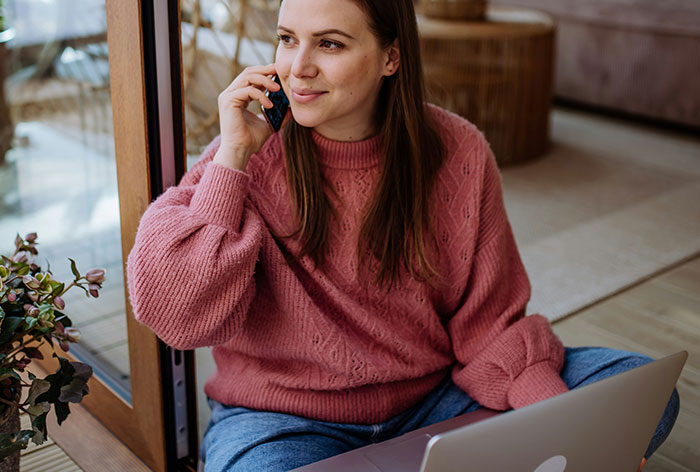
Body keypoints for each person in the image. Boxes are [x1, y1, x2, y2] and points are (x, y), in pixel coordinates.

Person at [126, 0, 679, 470]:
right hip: (283, 419)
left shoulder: (459, 151)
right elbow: (178, 318)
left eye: (331, 45)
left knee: (639, 392)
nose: (297, 68)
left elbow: (489, 323)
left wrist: (567, 430)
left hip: (437, 400)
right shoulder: (241, 156)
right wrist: (232, 158)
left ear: (391, 56)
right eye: (287, 39)